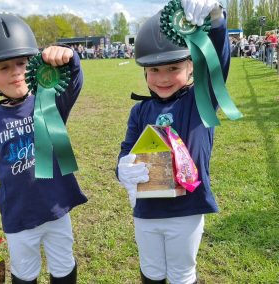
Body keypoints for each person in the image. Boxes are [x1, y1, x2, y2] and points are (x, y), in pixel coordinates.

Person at [0, 13, 87, 283]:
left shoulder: (49, 100)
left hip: (57, 209)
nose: (16, 72)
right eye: (3, 67)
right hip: (18, 217)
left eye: (21, 62)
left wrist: (69, 57)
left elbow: (75, 82)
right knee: (24, 272)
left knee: (63, 266)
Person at [116, 0, 230, 283]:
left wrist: (216, 21)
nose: (162, 78)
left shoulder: (201, 101)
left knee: (181, 273)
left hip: (186, 210)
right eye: (154, 70)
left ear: (191, 66)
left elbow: (218, 63)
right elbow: (126, 151)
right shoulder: (139, 111)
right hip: (146, 209)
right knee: (151, 271)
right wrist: (122, 168)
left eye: (173, 68)